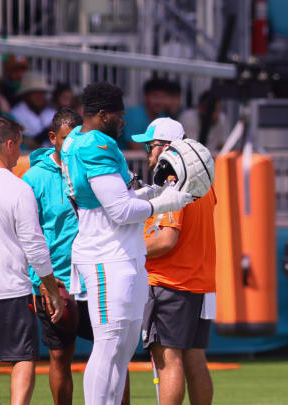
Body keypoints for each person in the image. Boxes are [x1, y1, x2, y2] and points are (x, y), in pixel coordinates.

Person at [61, 81, 193, 404]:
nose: (124, 122)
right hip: (107, 255)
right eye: (118, 116)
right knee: (109, 343)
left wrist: (155, 191)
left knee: (124, 346)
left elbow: (125, 195)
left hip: (123, 253)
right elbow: (121, 210)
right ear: (102, 114)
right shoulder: (94, 146)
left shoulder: (89, 142)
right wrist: (168, 202)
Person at [0, 117, 64, 405]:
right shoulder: (18, 188)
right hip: (10, 287)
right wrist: (49, 286)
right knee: (23, 357)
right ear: (9, 145)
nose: (20, 155)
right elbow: (35, 246)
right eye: (20, 147)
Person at [132, 117, 217, 405]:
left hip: (171, 281)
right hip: (199, 282)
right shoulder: (203, 176)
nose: (147, 152)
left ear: (167, 146)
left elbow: (166, 239)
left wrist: (130, 249)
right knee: (194, 358)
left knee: (168, 359)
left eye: (151, 145)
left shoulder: (174, 178)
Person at [21, 108, 94, 405]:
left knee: (111, 354)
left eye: (78, 138)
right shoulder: (33, 179)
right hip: (56, 284)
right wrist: (40, 281)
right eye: (67, 139)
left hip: (96, 278)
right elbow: (25, 235)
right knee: (59, 357)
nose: (73, 145)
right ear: (53, 138)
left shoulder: (93, 169)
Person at [122, 77, 170, 150]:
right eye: (155, 96)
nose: (160, 101)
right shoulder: (134, 116)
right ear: (145, 97)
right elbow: (135, 147)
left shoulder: (162, 118)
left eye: (164, 97)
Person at [10, 72, 56, 148]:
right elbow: (27, 143)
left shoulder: (52, 113)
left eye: (42, 92)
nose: (39, 96)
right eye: (35, 92)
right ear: (26, 94)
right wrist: (47, 132)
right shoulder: (16, 114)